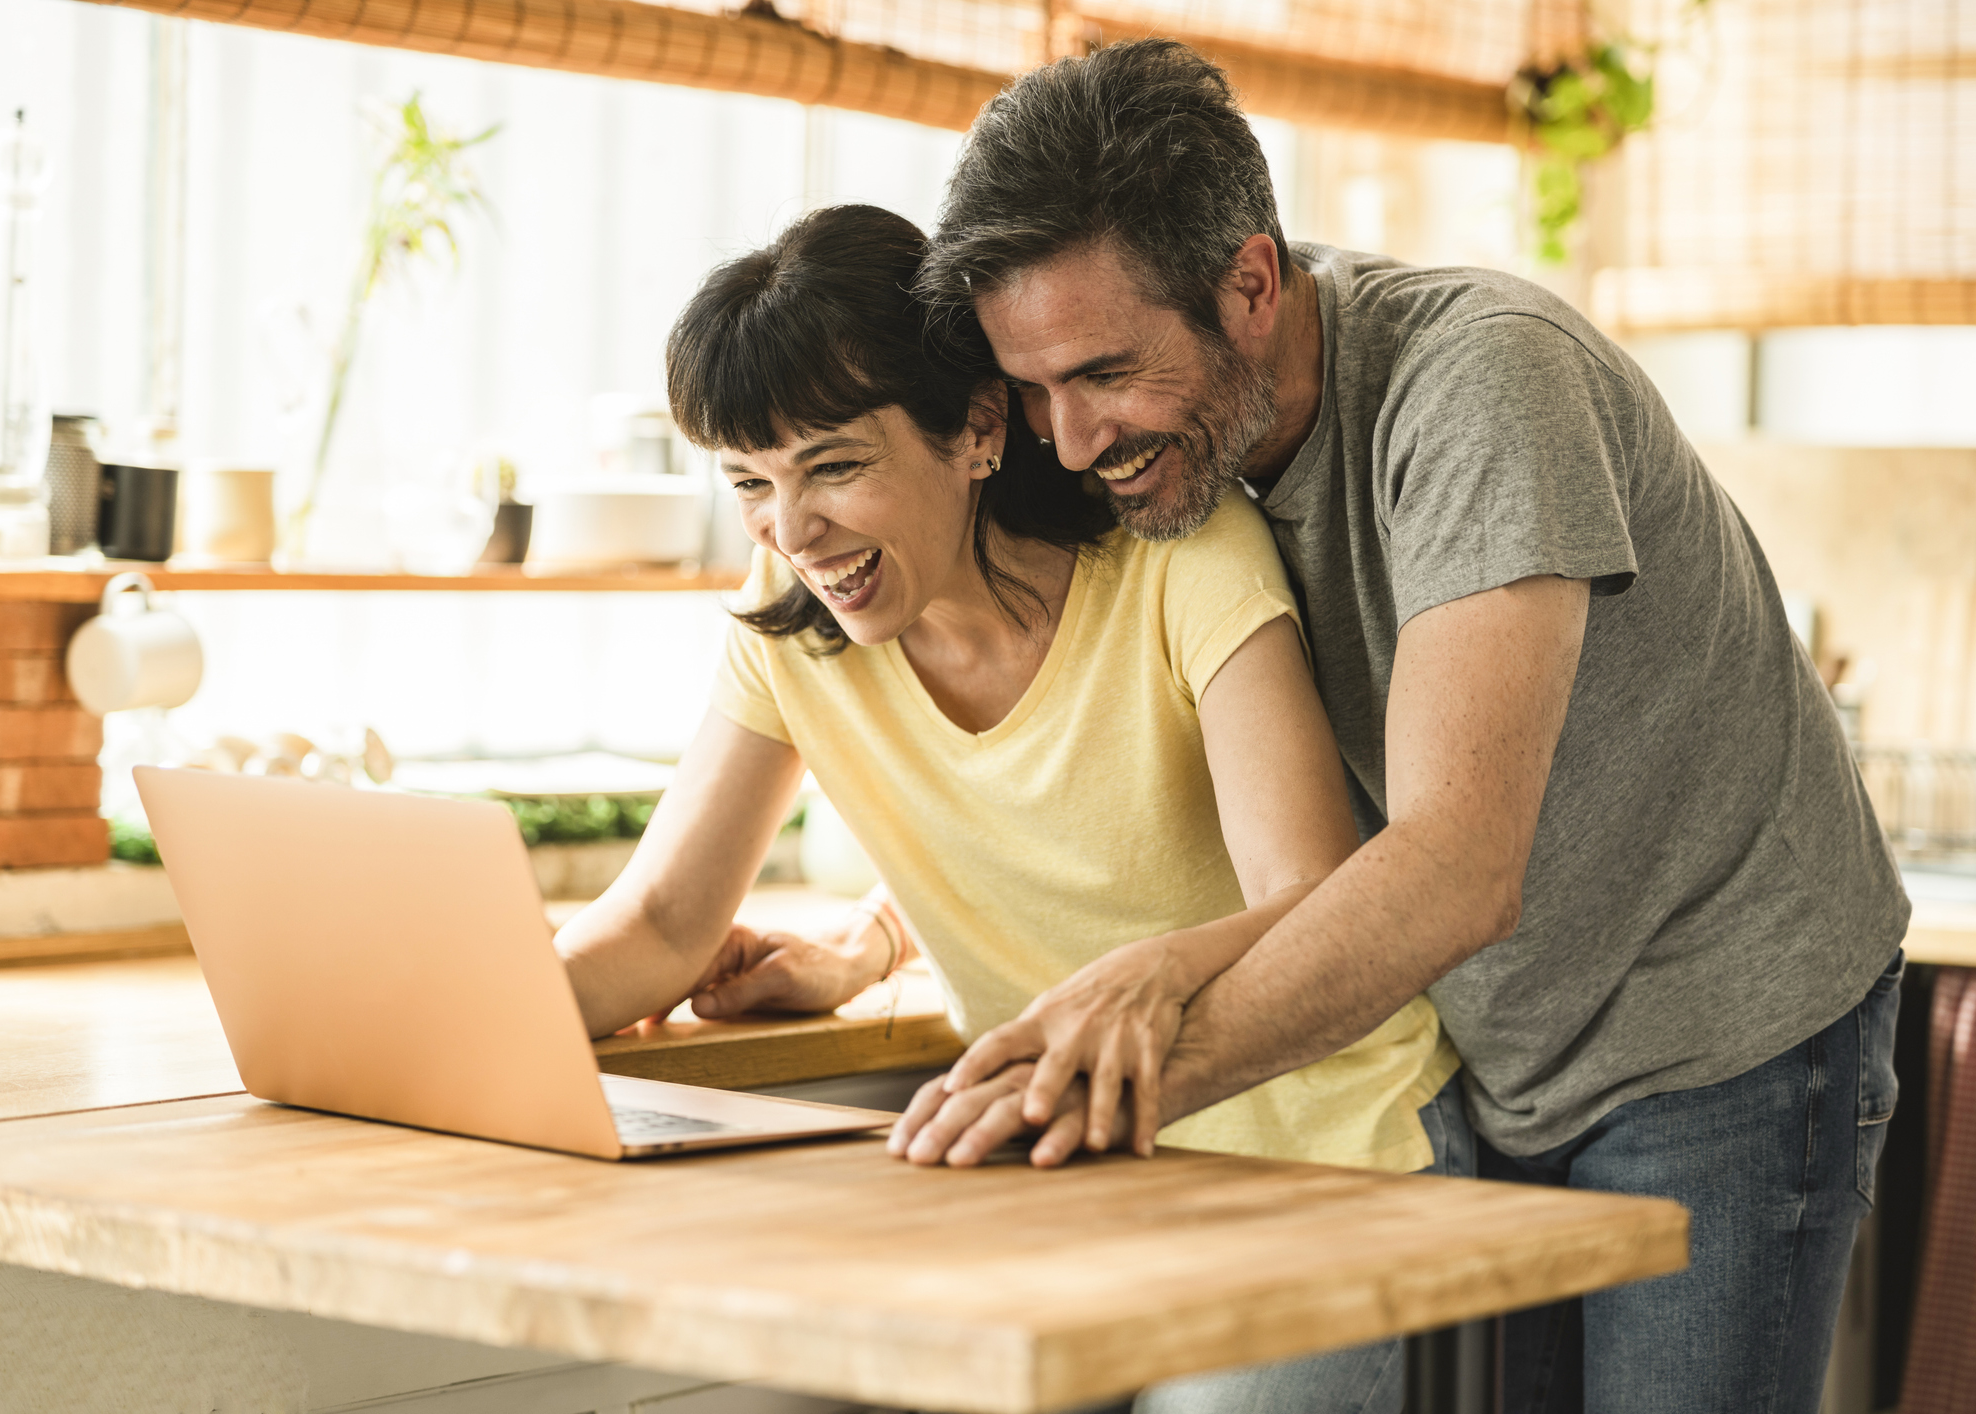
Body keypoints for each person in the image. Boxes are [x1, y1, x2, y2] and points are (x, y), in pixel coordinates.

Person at [887, 38, 1909, 1414]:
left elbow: (1453, 865)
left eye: (1104, 373)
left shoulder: (1483, 385)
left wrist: (1103, 1089)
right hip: (1502, 1050)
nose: (1069, 440)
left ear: (1251, 281)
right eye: (1032, 389)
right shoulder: (1181, 464)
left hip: (1717, 1026)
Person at [553, 203, 1462, 1413]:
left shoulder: (1182, 563)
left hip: (1326, 1158)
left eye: (835, 465)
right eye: (750, 482)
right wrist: (451, 1031)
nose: (794, 528)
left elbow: (1309, 896)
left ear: (978, 430)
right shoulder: (792, 616)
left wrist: (1145, 970)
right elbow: (666, 920)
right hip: (1065, 1172)